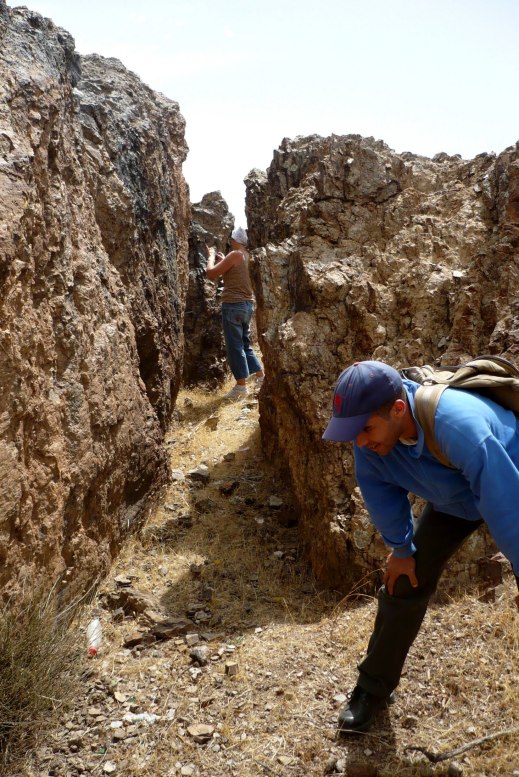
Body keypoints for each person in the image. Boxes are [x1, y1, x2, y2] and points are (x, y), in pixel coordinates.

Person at [322, 360, 519, 734]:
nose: (360, 442)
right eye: (353, 433)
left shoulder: (461, 428)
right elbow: (379, 491)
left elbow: (508, 506)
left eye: (365, 429)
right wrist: (401, 549)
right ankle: (372, 689)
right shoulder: (371, 439)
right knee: (403, 581)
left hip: (509, 477)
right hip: (457, 500)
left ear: (398, 409)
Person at [206, 226, 264, 399]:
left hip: (233, 306)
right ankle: (261, 377)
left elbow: (210, 273)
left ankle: (240, 386)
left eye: (232, 240)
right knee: (245, 344)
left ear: (236, 240)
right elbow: (233, 276)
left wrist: (210, 257)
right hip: (247, 306)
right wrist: (224, 260)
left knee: (234, 346)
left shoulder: (235, 255)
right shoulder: (247, 256)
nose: (230, 242)